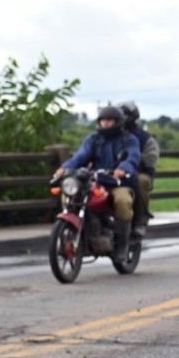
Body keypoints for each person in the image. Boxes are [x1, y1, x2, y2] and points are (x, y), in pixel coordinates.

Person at [54, 105, 140, 264]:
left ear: (118, 122)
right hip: (95, 181)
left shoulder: (129, 139)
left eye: (109, 120)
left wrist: (123, 168)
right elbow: (81, 156)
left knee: (123, 201)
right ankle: (70, 234)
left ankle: (122, 244)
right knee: (71, 195)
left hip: (117, 182)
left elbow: (132, 157)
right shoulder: (94, 139)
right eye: (103, 120)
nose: (105, 124)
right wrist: (65, 168)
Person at [117, 100, 159, 239]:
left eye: (126, 115)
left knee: (140, 181)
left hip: (140, 172)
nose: (122, 119)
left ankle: (141, 220)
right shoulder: (111, 135)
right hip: (114, 173)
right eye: (119, 115)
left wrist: (130, 160)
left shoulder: (145, 138)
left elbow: (150, 160)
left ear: (133, 117)